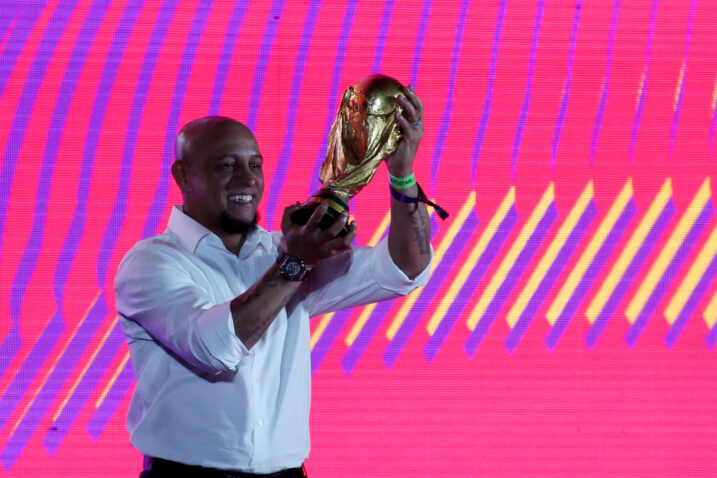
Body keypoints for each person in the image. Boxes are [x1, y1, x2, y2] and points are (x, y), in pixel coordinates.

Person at [115, 86, 432, 477]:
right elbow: (215, 348)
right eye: (226, 166)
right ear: (183, 175)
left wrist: (402, 175)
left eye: (255, 165)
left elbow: (404, 268)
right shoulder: (151, 263)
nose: (247, 179)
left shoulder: (284, 252)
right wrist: (296, 263)